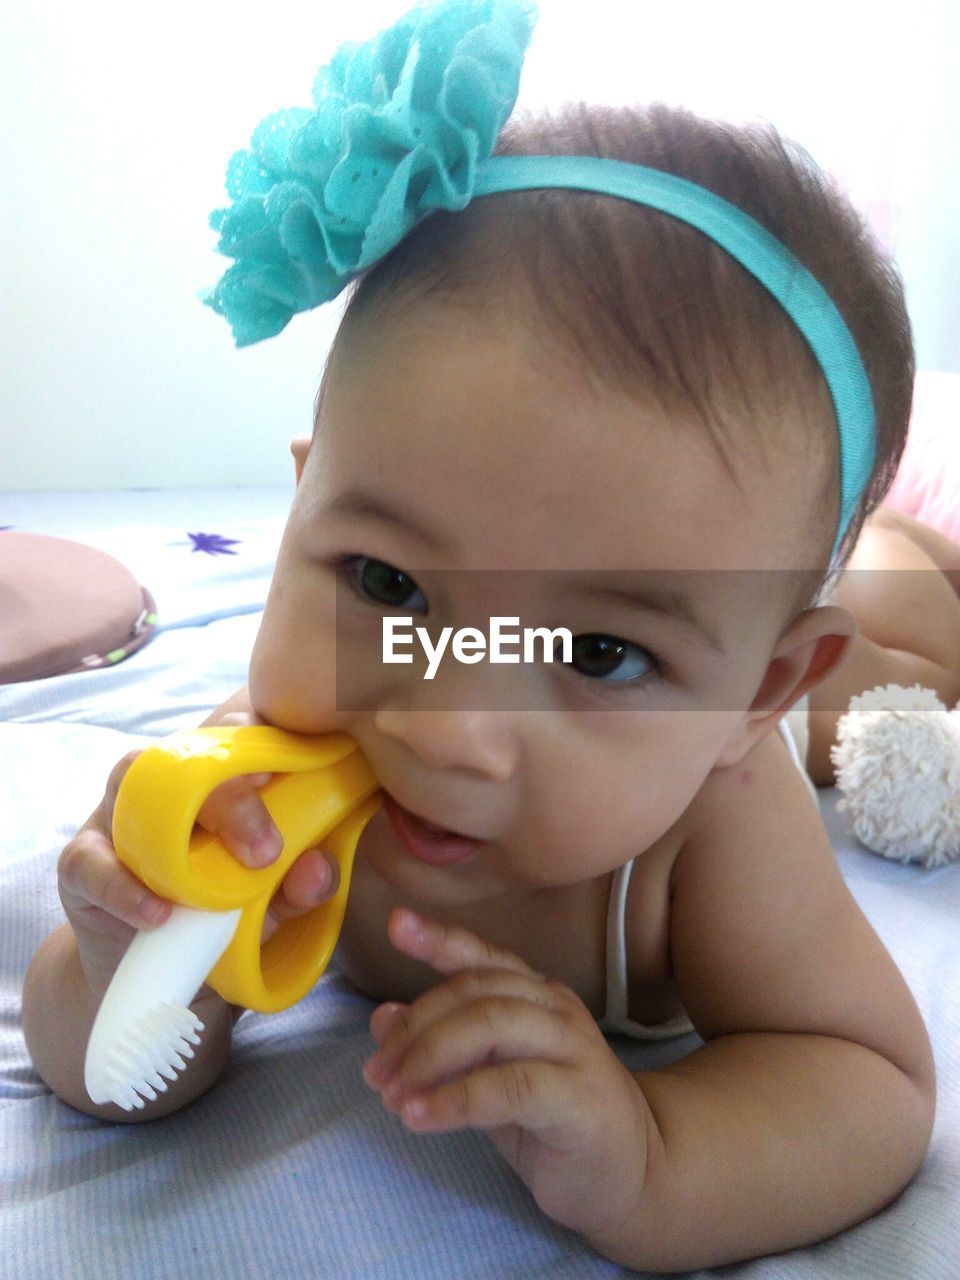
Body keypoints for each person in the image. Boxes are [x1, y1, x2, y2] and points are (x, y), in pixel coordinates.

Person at [22, 1, 960, 1270]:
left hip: (774, 734)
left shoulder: (716, 828)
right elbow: (112, 1071)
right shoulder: (252, 782)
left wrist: (653, 1152)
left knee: (895, 666)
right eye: (388, 583)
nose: (442, 723)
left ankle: (916, 565)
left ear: (750, 686)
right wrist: (129, 959)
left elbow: (869, 1080)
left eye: (598, 653)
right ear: (302, 507)